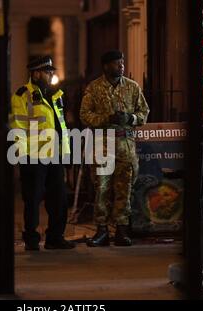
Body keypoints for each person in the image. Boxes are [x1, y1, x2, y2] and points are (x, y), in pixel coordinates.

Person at [80, 50, 150, 247]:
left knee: (124, 187)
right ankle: (101, 230)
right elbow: (84, 115)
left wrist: (130, 118)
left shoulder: (132, 87)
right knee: (101, 187)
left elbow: (144, 112)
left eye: (122, 62)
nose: (121, 66)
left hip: (125, 143)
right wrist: (105, 119)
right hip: (104, 142)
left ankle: (121, 229)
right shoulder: (94, 88)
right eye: (116, 63)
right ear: (106, 66)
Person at [9, 56, 75, 251]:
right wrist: (23, 156)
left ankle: (55, 237)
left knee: (59, 198)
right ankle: (31, 238)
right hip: (33, 157)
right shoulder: (22, 95)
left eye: (51, 72)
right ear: (36, 73)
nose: (51, 75)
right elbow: (18, 127)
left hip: (54, 155)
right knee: (32, 199)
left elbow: (61, 126)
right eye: (47, 72)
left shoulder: (56, 95)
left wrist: (66, 153)